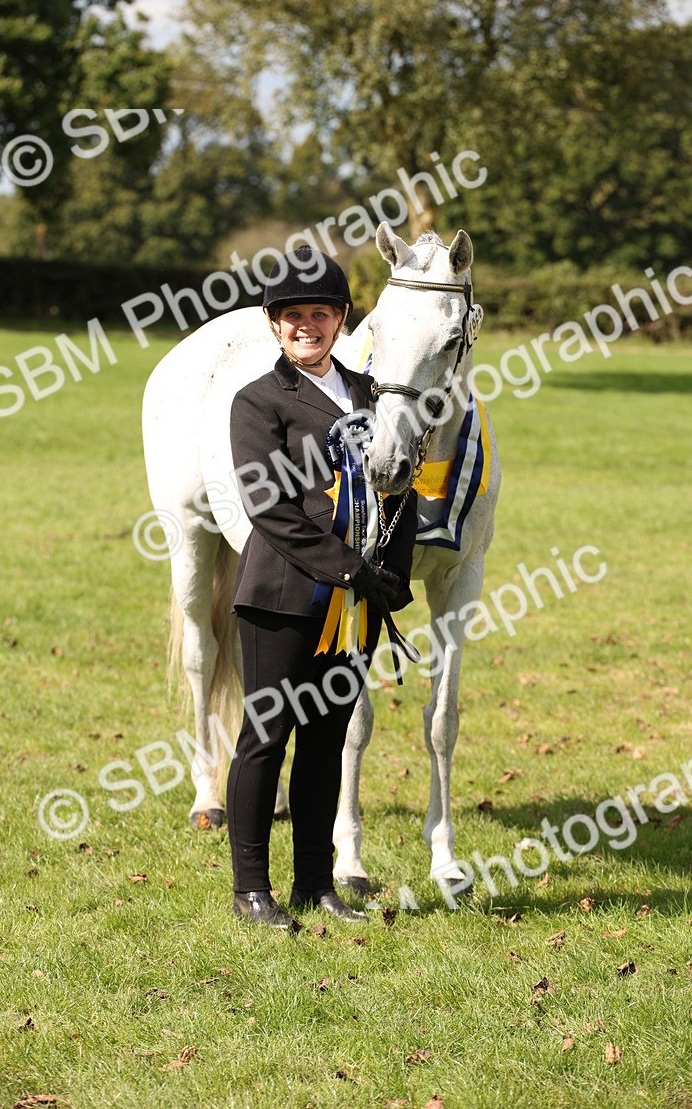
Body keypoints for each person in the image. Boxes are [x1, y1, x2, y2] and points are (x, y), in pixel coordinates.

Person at [226, 245, 418, 929]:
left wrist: (393, 566)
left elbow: (400, 486)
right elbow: (269, 507)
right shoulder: (258, 403)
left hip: (357, 603)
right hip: (282, 596)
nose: (307, 324)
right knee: (266, 736)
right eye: (293, 316)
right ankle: (252, 890)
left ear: (340, 320)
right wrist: (350, 567)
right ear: (276, 326)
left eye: (320, 313)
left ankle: (315, 884)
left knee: (327, 738)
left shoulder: (373, 395)